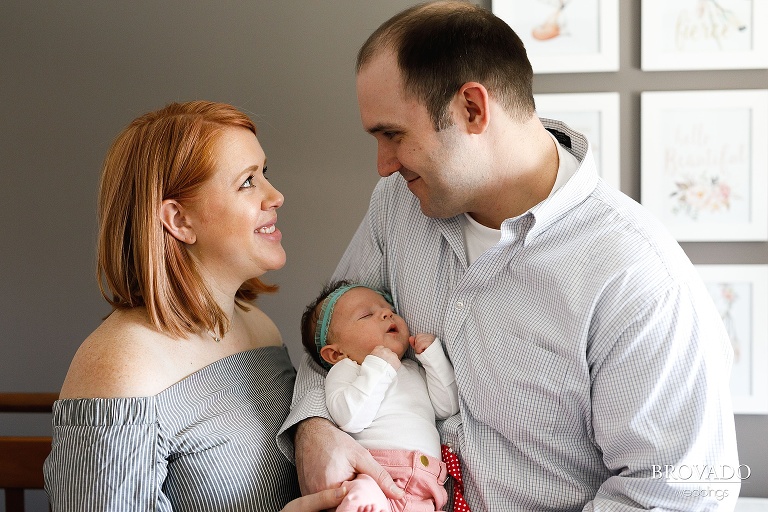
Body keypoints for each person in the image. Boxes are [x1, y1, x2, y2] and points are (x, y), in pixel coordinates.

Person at [278, 2, 740, 510]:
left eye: (393, 135)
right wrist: (313, 427)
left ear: (472, 109)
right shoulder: (397, 207)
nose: (384, 165)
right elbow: (332, 333)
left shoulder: (637, 277)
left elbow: (676, 496)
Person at [43, 101, 347, 512]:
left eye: (265, 174)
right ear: (179, 220)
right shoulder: (120, 367)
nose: (275, 196)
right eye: (247, 182)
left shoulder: (258, 328)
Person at [300, 280, 460, 511]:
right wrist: (378, 368)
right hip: (376, 474)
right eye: (366, 315)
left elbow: (447, 406)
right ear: (336, 353)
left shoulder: (412, 369)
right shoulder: (347, 369)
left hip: (425, 486)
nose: (387, 313)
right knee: (362, 497)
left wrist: (434, 359)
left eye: (391, 310)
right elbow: (350, 418)